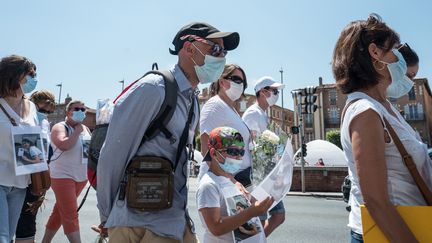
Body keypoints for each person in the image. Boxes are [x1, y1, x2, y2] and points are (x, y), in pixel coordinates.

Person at [96, 22, 239, 243]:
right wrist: (108, 215)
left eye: (224, 52)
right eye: (215, 49)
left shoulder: (192, 101)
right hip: (138, 225)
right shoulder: (154, 89)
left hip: (174, 219)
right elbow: (113, 155)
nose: (221, 58)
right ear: (189, 48)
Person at [333, 14, 432, 243]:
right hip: (390, 235)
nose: (400, 57)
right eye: (395, 49)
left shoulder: (384, 106)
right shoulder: (365, 111)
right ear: (375, 53)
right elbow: (376, 202)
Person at [197, 126, 273, 243]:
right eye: (233, 151)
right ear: (213, 153)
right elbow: (215, 228)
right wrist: (252, 212)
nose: (238, 157)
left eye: (241, 152)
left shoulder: (230, 179)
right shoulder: (209, 185)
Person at [0, 55, 39, 242]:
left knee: (10, 235)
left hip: (21, 183)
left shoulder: (31, 107)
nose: (34, 78)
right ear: (13, 75)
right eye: (30, 74)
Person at [241, 76, 286, 236]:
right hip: (258, 175)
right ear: (263, 91)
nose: (276, 94)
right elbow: (254, 146)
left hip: (265, 173)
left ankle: (258, 240)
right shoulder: (253, 114)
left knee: (277, 216)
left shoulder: (262, 114)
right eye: (274, 91)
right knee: (260, 218)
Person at [41, 100, 91, 243]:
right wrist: (76, 132)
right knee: (70, 213)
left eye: (83, 109)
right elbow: (63, 145)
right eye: (77, 108)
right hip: (62, 176)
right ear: (68, 111)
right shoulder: (60, 127)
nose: (81, 111)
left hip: (81, 177)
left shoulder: (85, 129)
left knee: (59, 212)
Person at [199, 64, 251, 195]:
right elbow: (205, 148)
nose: (241, 84)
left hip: (236, 181)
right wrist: (232, 181)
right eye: (237, 79)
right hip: (222, 184)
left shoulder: (231, 109)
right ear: (222, 81)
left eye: (243, 82)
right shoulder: (214, 105)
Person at [16, 90, 55, 243]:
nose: (45, 114)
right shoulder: (21, 116)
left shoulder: (45, 123)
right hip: (18, 174)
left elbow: (47, 150)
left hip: (36, 177)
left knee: (28, 216)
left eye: (48, 112)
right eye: (42, 110)